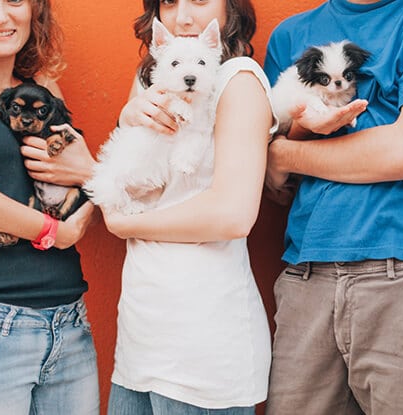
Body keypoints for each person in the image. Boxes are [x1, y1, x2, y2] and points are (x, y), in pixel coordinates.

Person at [263, 1, 403, 414]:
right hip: (307, 275)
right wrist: (283, 153)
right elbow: (272, 184)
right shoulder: (290, 36)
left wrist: (286, 156)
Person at [99, 0, 275, 413]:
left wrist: (125, 224)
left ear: (231, 7)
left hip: (203, 342)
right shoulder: (153, 80)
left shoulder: (238, 79)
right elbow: (130, 171)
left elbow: (233, 214)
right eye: (169, 2)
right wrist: (126, 118)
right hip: (142, 333)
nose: (183, 16)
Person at [0, 0, 99, 414]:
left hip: (68, 318)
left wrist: (90, 187)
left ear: (35, 9)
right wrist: (52, 231)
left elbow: (77, 169)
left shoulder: (41, 82)